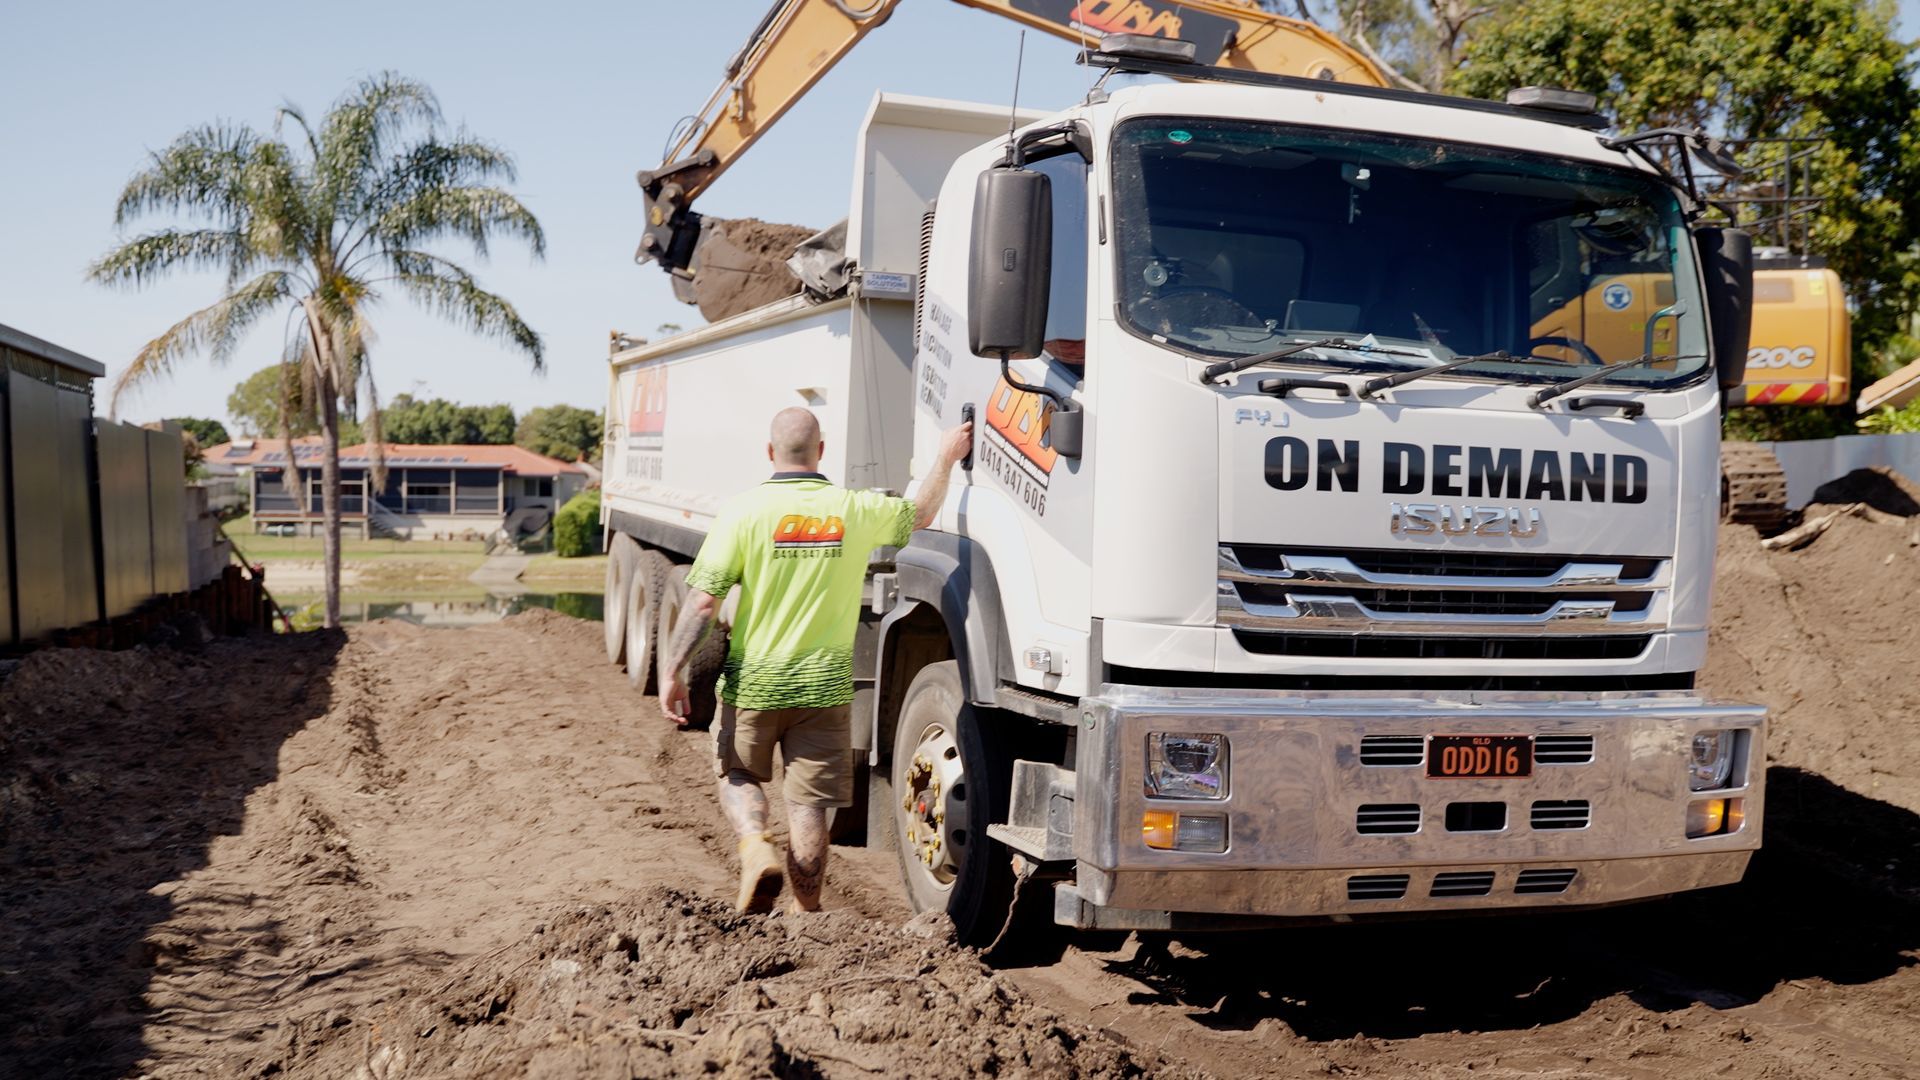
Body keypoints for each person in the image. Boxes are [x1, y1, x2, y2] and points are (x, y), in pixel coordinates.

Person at [660, 407, 973, 914]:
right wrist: (945, 457)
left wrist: (674, 671)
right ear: (821, 451)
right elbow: (919, 516)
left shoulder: (744, 512)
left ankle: (755, 845)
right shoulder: (851, 508)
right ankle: (807, 915)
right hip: (824, 687)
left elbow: (702, 602)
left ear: (769, 453)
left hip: (756, 682)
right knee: (808, 806)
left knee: (737, 773)